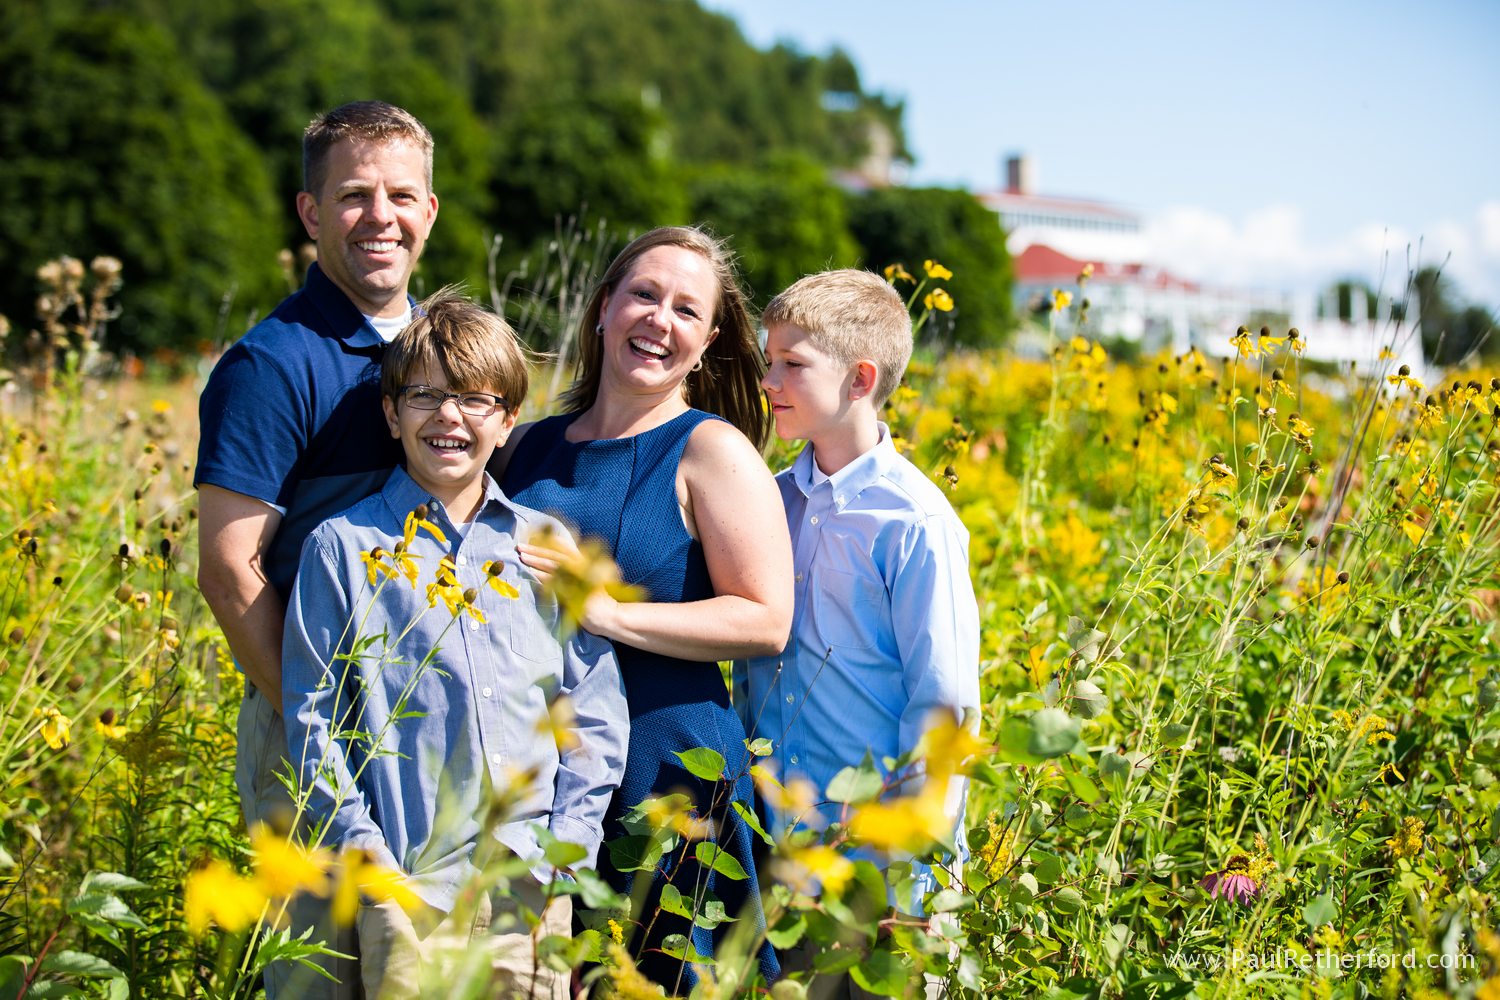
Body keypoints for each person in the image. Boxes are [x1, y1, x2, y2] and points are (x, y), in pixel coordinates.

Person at [281, 289, 628, 998]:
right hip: (410, 886)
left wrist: (567, 850)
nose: (448, 416)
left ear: (506, 421)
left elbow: (592, 706)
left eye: (474, 399)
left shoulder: (546, 544)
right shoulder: (345, 549)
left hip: (527, 885)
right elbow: (312, 718)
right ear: (391, 413)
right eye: (424, 396)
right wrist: (368, 859)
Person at [495, 226, 793, 991]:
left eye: (686, 310)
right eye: (644, 295)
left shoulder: (712, 451)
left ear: (708, 341)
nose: (660, 319)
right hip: (537, 776)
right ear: (603, 309)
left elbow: (765, 620)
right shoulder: (522, 447)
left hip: (668, 774)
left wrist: (608, 612)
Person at [195, 100, 439, 995]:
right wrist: (320, 732)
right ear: (309, 214)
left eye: (401, 195)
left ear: (430, 211)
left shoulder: (439, 355)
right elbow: (228, 571)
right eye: (353, 196)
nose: (382, 217)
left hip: (425, 730)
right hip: (317, 732)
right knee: (322, 978)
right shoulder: (275, 363)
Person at [735, 269, 981, 999]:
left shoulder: (916, 522)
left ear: (860, 378)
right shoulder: (771, 500)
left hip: (882, 871)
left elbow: (944, 709)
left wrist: (914, 880)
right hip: (787, 854)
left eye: (792, 364)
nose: (770, 379)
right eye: (768, 360)